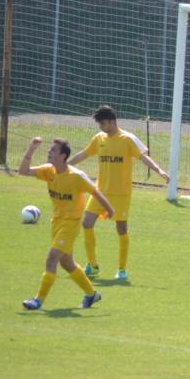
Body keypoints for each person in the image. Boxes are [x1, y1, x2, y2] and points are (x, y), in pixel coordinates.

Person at [67, 105, 169, 280]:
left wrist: (159, 170)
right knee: (87, 223)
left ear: (112, 122)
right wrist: (64, 166)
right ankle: (92, 265)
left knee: (121, 228)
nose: (101, 127)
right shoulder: (99, 138)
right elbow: (83, 154)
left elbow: (143, 156)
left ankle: (122, 269)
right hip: (100, 192)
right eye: (99, 124)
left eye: (103, 123)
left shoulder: (127, 139)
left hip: (121, 193)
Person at [19, 137, 115, 310]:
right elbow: (23, 171)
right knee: (67, 263)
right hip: (56, 223)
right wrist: (31, 149)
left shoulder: (76, 176)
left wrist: (109, 209)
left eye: (53, 150)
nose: (49, 151)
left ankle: (38, 300)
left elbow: (96, 192)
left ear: (63, 155)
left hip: (70, 225)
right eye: (49, 148)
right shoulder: (49, 171)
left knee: (51, 259)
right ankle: (92, 294)